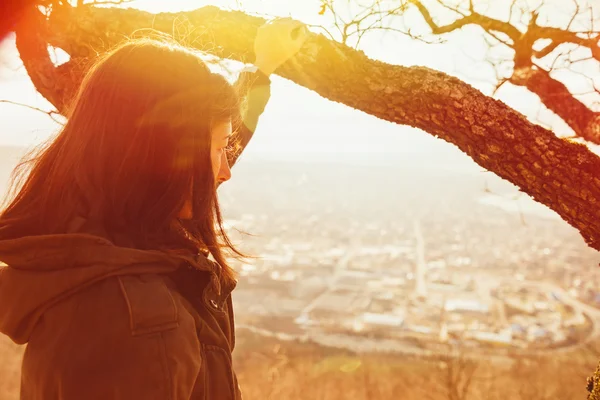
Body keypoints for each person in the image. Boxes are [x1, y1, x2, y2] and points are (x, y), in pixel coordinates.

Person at [0, 18, 307, 400]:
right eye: (216, 150)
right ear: (161, 159)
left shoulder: (95, 237)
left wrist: (261, 72)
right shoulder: (141, 325)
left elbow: (198, 165)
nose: (225, 171)